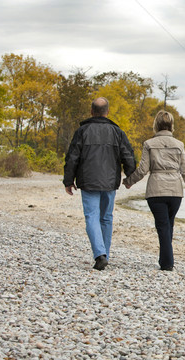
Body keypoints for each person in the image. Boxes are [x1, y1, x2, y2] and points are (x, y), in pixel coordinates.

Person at [63, 97, 136, 271]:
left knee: (92, 216)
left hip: (88, 181)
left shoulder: (82, 131)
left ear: (91, 111)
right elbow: (128, 156)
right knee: (106, 218)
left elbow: (72, 157)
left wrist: (68, 180)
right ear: (107, 112)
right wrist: (129, 177)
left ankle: (100, 255)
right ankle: (104, 255)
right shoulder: (117, 132)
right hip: (110, 182)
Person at [123, 110, 185, 271]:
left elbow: (143, 170)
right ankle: (166, 259)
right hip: (175, 192)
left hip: (156, 191)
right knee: (168, 225)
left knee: (164, 226)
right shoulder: (179, 145)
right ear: (171, 125)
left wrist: (129, 181)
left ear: (156, 125)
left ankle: (167, 263)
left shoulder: (149, 144)